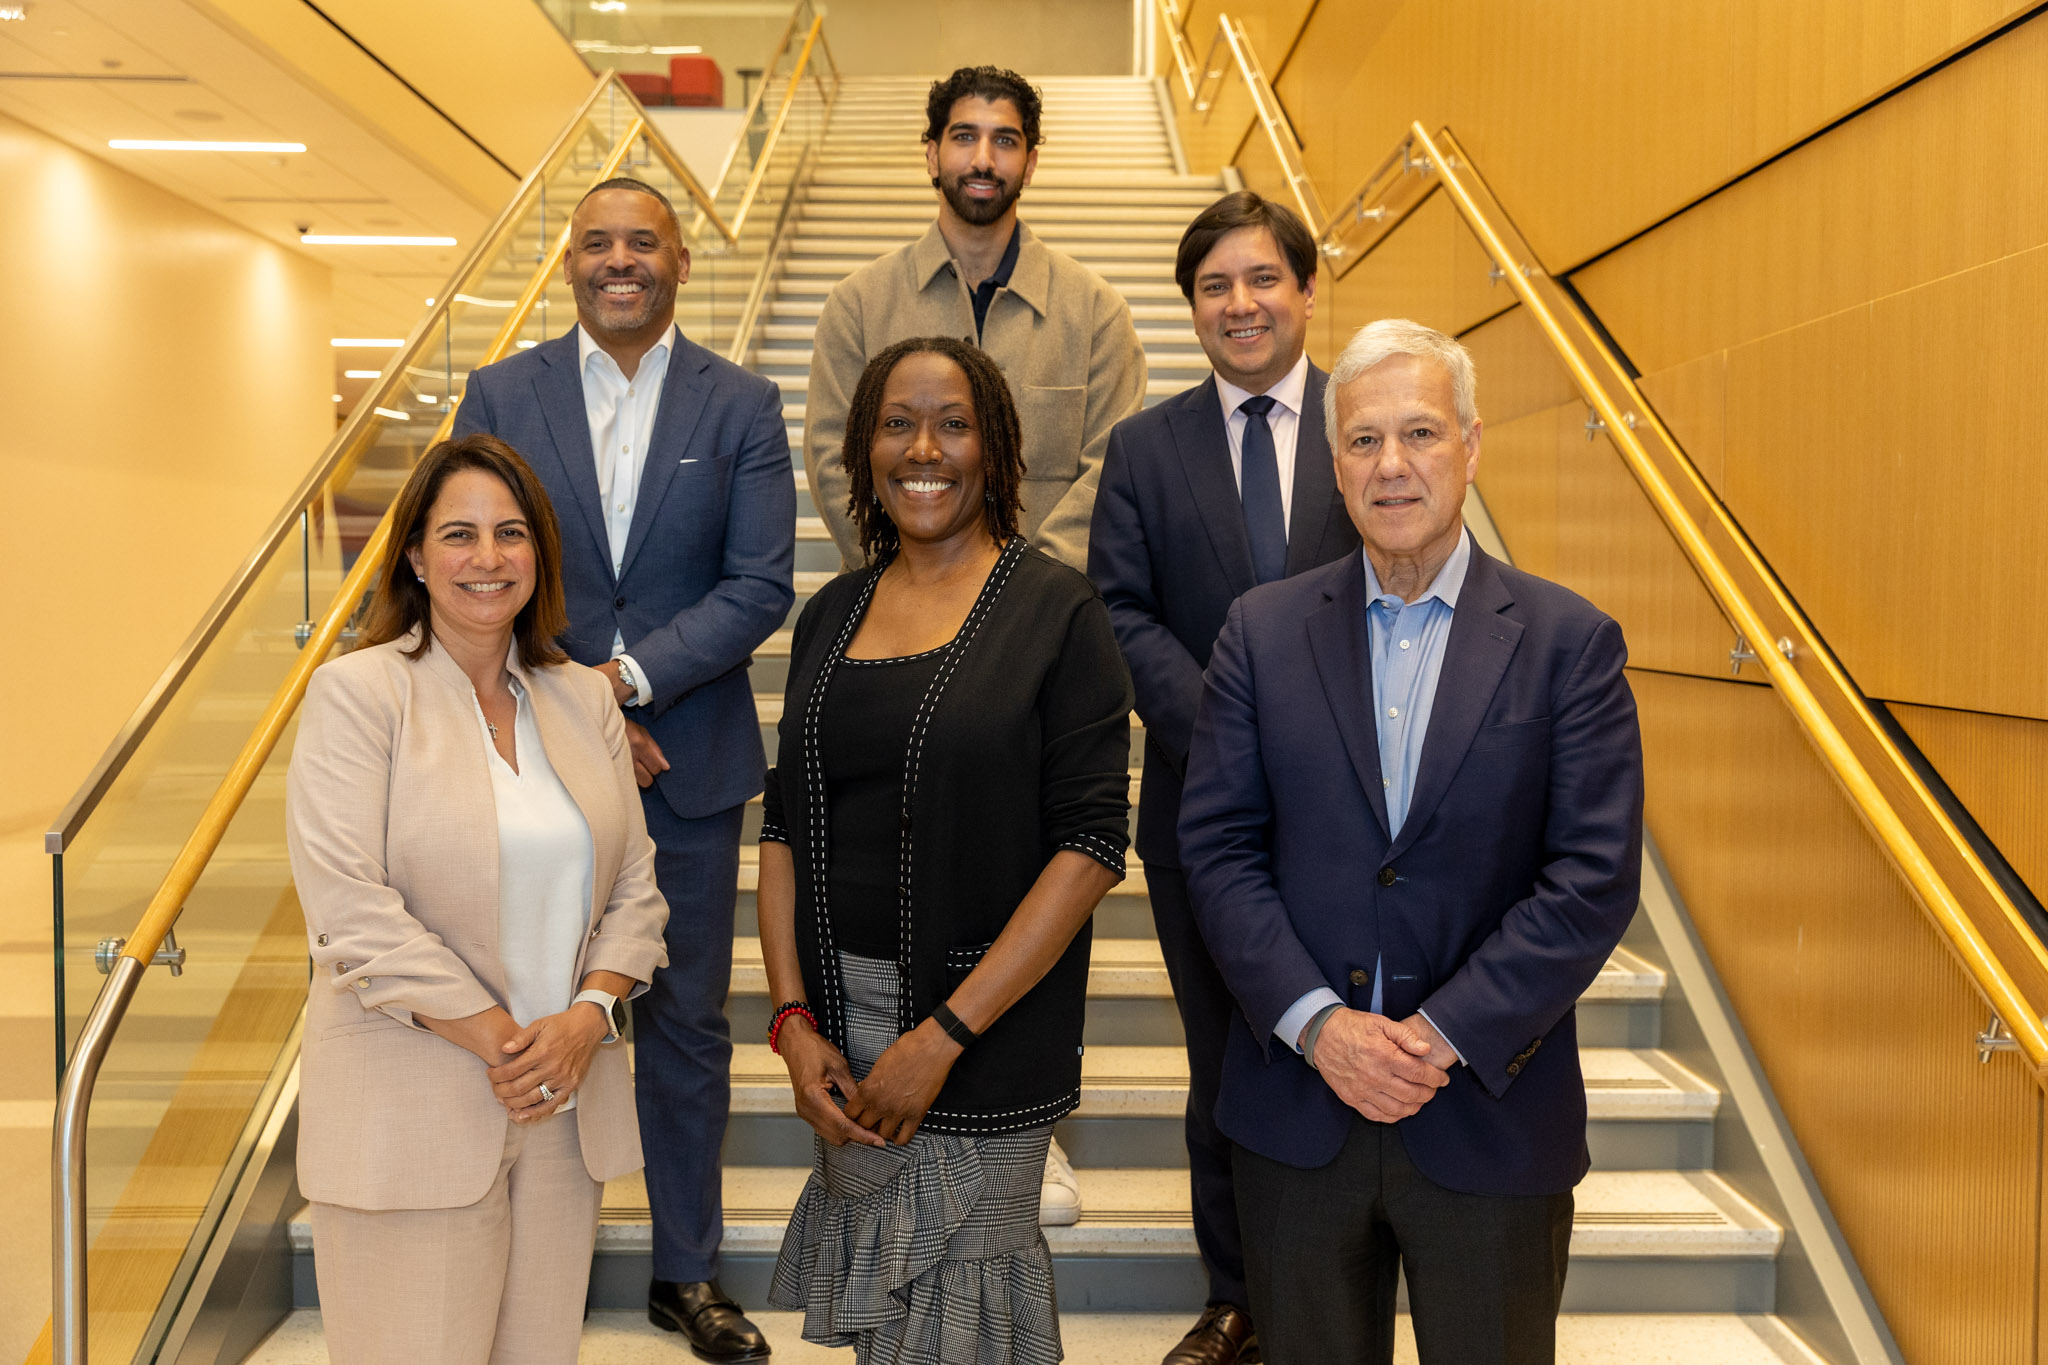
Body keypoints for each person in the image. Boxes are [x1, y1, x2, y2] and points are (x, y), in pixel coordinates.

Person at [1178, 319, 1645, 1365]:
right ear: (1333, 463)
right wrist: (1318, 1026)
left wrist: (1438, 1033)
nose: (1391, 465)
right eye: (1362, 440)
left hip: (1486, 1111)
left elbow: (1590, 878)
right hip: (1297, 1114)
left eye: (1420, 433)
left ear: (1471, 447)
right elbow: (1214, 850)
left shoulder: (1569, 644)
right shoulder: (1259, 633)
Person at [452, 176, 793, 1360]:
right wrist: (568, 702)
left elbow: (757, 584)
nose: (618, 261)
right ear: (567, 261)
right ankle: (515, 1249)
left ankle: (685, 1274)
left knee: (687, 1025)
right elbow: (472, 565)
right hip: (524, 767)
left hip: (685, 763)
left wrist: (616, 688)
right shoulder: (501, 392)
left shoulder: (741, 403)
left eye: (640, 241)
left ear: (680, 259)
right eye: (595, 242)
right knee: (537, 1008)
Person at [757, 336, 1134, 1364]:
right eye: (896, 423)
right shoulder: (828, 614)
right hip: (843, 1028)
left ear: (995, 449)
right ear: (862, 449)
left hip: (986, 1028)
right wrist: (791, 1023)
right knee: (891, 1318)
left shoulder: (1057, 612)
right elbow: (783, 828)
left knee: (963, 1311)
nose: (923, 448)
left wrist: (942, 1037)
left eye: (953, 424)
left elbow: (1092, 846)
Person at [284, 434, 670, 1363]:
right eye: (459, 533)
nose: (488, 558)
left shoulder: (582, 699)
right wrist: (503, 1037)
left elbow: (636, 890)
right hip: (410, 1105)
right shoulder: (358, 694)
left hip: (561, 1103)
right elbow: (350, 907)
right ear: (415, 554)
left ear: (540, 553)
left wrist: (586, 1018)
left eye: (510, 533)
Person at [1086, 190, 1359, 1365]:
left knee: (1346, 1039)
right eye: (1213, 286)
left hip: (1360, 814)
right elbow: (1117, 607)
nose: (1238, 304)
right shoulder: (1148, 448)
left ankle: (1338, 1291)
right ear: (1190, 306)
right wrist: (1236, 724)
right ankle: (1236, 1294)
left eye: (1261, 280)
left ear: (1304, 291)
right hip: (1201, 809)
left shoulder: (1369, 424)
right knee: (1223, 1056)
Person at [805, 65, 1146, 578]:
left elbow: (1110, 473)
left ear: (1029, 165)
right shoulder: (857, 306)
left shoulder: (1097, 314)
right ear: (932, 156)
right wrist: (914, 578)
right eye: (964, 137)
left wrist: (1025, 594)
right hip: (896, 610)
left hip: (1045, 618)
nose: (983, 160)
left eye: (1004, 141)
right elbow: (834, 460)